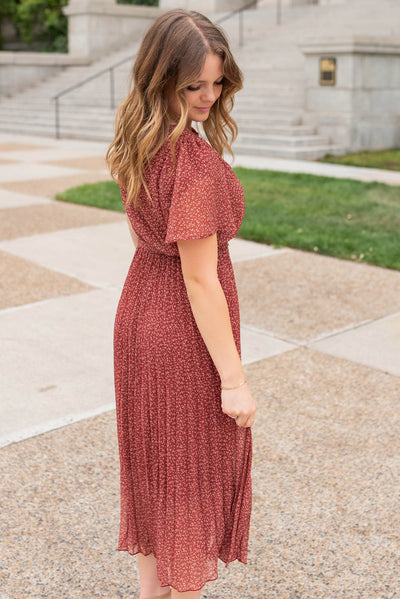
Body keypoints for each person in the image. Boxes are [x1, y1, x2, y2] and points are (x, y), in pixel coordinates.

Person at [106, 9, 256, 599]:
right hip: (178, 333)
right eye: (193, 85)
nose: (208, 96)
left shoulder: (138, 142)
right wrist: (234, 378)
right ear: (161, 76)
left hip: (138, 311)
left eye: (217, 83)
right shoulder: (194, 167)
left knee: (154, 473)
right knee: (188, 481)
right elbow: (200, 281)